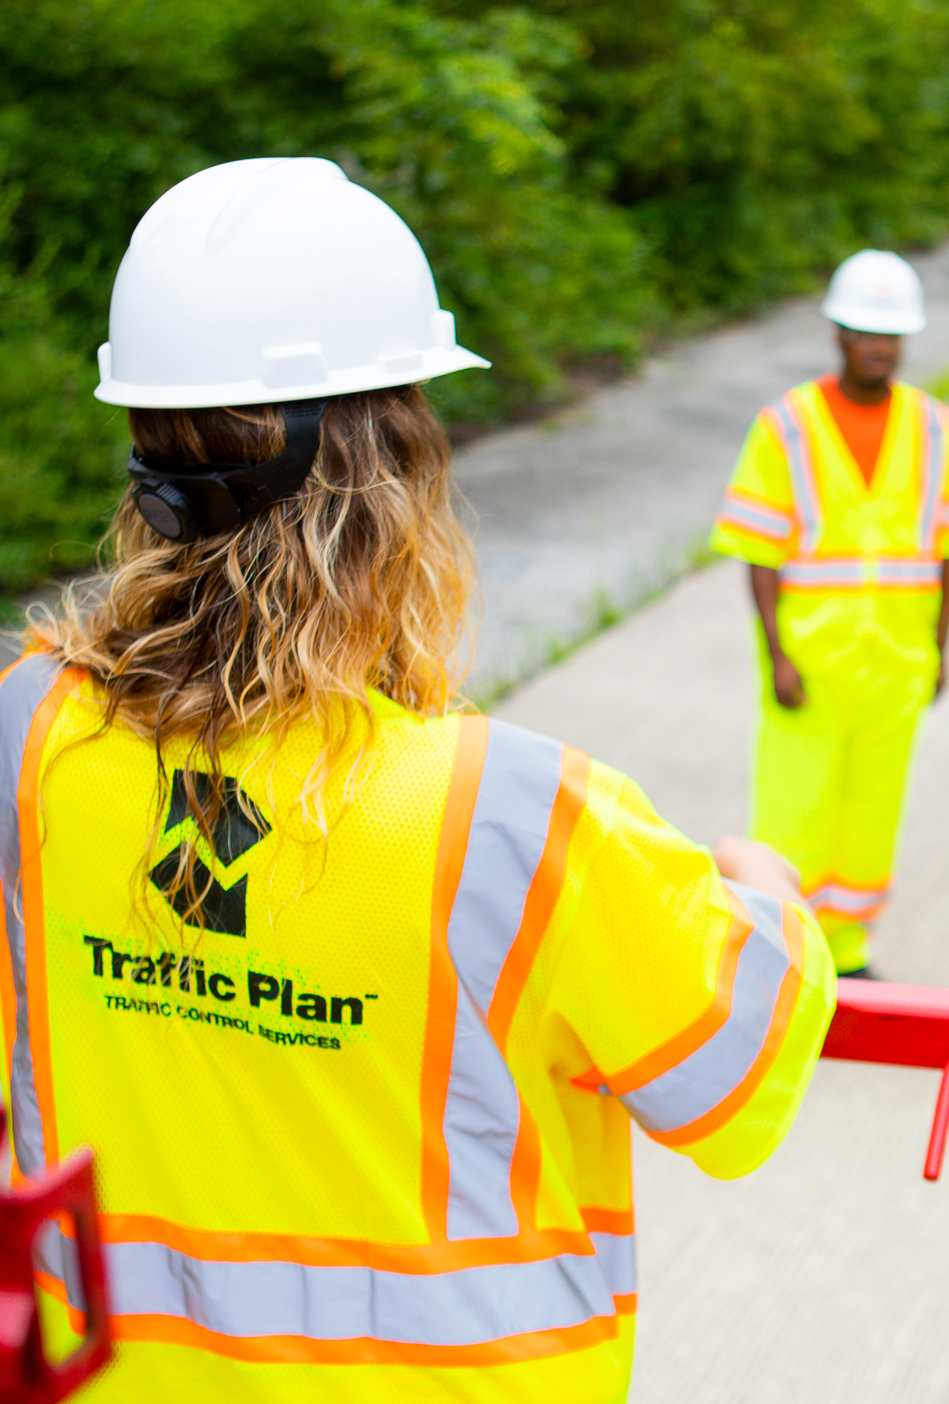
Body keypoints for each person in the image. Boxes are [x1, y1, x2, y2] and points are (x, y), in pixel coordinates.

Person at [8, 157, 834, 1399]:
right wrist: (766, 891)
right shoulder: (502, 814)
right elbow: (729, 1071)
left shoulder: (25, 737)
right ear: (389, 471)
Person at [710, 250, 949, 978]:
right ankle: (776, 958)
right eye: (867, 331)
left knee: (870, 822)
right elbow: (760, 553)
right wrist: (775, 652)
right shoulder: (787, 427)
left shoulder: (934, 429)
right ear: (838, 333)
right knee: (792, 818)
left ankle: (846, 952)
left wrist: (941, 645)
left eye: (891, 334)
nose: (879, 345)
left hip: (896, 665)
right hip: (810, 666)